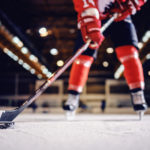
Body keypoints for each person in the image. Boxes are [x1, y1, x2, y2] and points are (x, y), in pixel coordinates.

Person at [63, 0, 148, 115]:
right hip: (95, 14)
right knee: (83, 58)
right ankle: (73, 96)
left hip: (119, 12)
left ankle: (138, 93)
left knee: (129, 52)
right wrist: (88, 16)